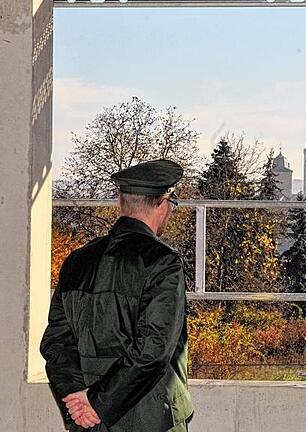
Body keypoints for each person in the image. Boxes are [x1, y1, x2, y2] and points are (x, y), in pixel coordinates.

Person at [41, 160, 194, 432]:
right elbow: (153, 351)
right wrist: (97, 403)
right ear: (162, 204)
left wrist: (78, 403)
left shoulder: (77, 261)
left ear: (120, 202)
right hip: (150, 418)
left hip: (88, 421)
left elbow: (56, 343)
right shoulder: (163, 263)